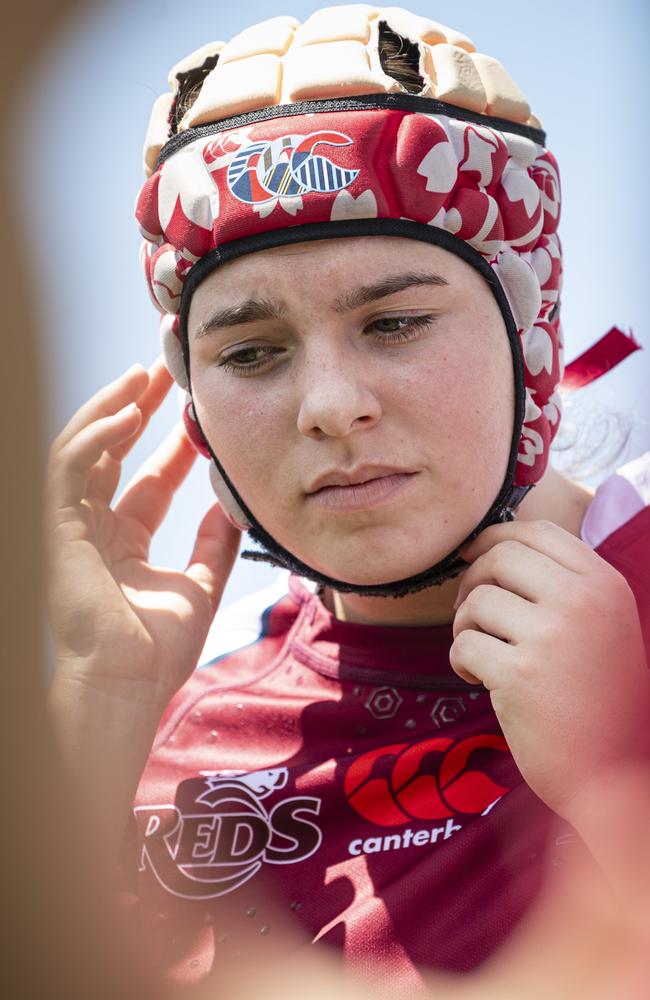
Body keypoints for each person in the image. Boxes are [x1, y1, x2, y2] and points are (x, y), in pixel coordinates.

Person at [45, 5, 650, 996]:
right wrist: (99, 717)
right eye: (250, 352)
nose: (330, 407)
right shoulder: (178, 723)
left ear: (529, 327)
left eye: (395, 321)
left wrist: (614, 771)